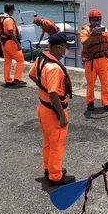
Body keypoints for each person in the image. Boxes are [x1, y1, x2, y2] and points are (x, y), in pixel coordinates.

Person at [29, 32, 76, 185]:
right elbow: (53, 92)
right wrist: (62, 115)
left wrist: (42, 85)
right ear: (58, 47)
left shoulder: (41, 59)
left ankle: (48, 169)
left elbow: (32, 75)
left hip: (42, 108)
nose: (65, 51)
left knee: (48, 141)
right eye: (65, 48)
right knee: (57, 143)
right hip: (54, 111)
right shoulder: (55, 68)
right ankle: (55, 176)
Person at [80, 9, 108, 111]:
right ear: (90, 20)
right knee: (91, 83)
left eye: (98, 19)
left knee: (105, 83)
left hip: (103, 59)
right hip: (90, 60)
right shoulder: (84, 31)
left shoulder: (105, 30)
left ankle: (107, 104)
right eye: (94, 20)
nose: (97, 22)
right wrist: (92, 35)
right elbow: (85, 44)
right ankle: (90, 102)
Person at [0, 4, 26, 87]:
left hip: (4, 43)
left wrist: (0, 41)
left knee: (7, 62)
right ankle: (17, 79)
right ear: (11, 10)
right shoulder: (9, 20)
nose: (13, 12)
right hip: (10, 42)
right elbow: (10, 32)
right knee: (20, 60)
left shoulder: (0, 19)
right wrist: (17, 43)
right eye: (13, 10)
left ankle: (7, 80)